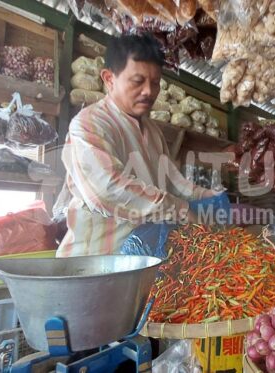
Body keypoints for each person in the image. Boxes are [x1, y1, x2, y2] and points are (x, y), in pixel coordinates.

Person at [54, 33, 217, 257]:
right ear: (109, 79)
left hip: (140, 262)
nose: (149, 91)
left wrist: (207, 196)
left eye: (155, 82)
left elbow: (171, 181)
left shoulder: (153, 131)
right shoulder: (89, 124)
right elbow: (108, 188)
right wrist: (180, 209)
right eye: (138, 81)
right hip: (93, 265)